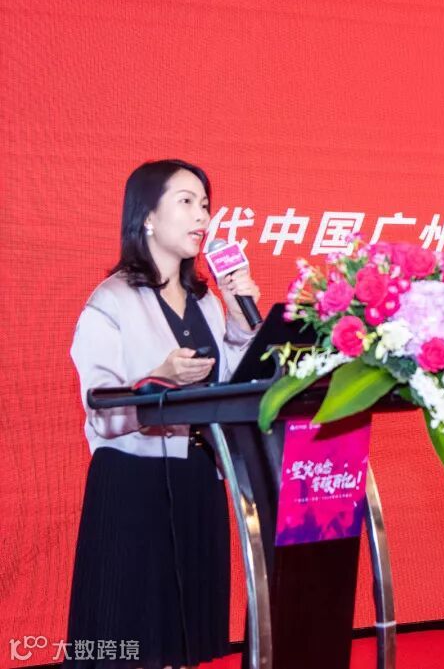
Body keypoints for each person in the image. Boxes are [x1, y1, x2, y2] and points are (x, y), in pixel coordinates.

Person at [65, 159, 261, 669]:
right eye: (187, 202)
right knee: (126, 631)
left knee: (184, 635)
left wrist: (241, 321)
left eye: (206, 205)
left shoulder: (208, 300)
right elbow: (101, 407)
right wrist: (159, 378)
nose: (203, 217)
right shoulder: (111, 300)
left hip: (198, 474)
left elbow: (231, 387)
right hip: (133, 482)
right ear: (148, 216)